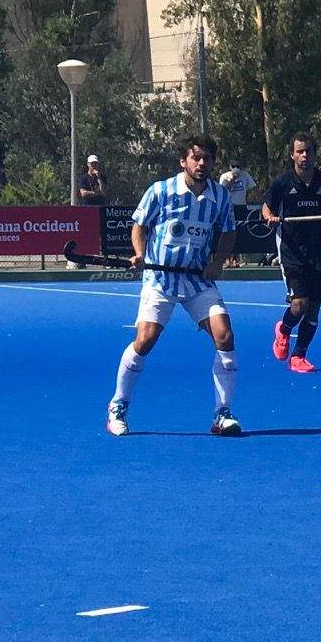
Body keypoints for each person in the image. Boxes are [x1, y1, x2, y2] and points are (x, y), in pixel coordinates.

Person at [109, 134, 241, 437]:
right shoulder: (161, 191)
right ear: (184, 161)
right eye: (196, 157)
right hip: (160, 279)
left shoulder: (220, 197)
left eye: (207, 158)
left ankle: (222, 413)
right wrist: (141, 254)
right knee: (146, 340)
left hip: (197, 279)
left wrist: (218, 261)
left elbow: (229, 233)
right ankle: (118, 405)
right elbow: (139, 225)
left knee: (226, 337)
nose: (202, 163)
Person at [261, 132, 321, 373]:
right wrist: (270, 218)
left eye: (308, 150)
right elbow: (266, 208)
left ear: (315, 154)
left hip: (318, 252)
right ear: (292, 155)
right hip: (291, 250)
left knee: (314, 308)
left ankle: (299, 356)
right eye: (300, 151)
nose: (304, 155)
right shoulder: (282, 183)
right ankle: (284, 330)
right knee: (299, 304)